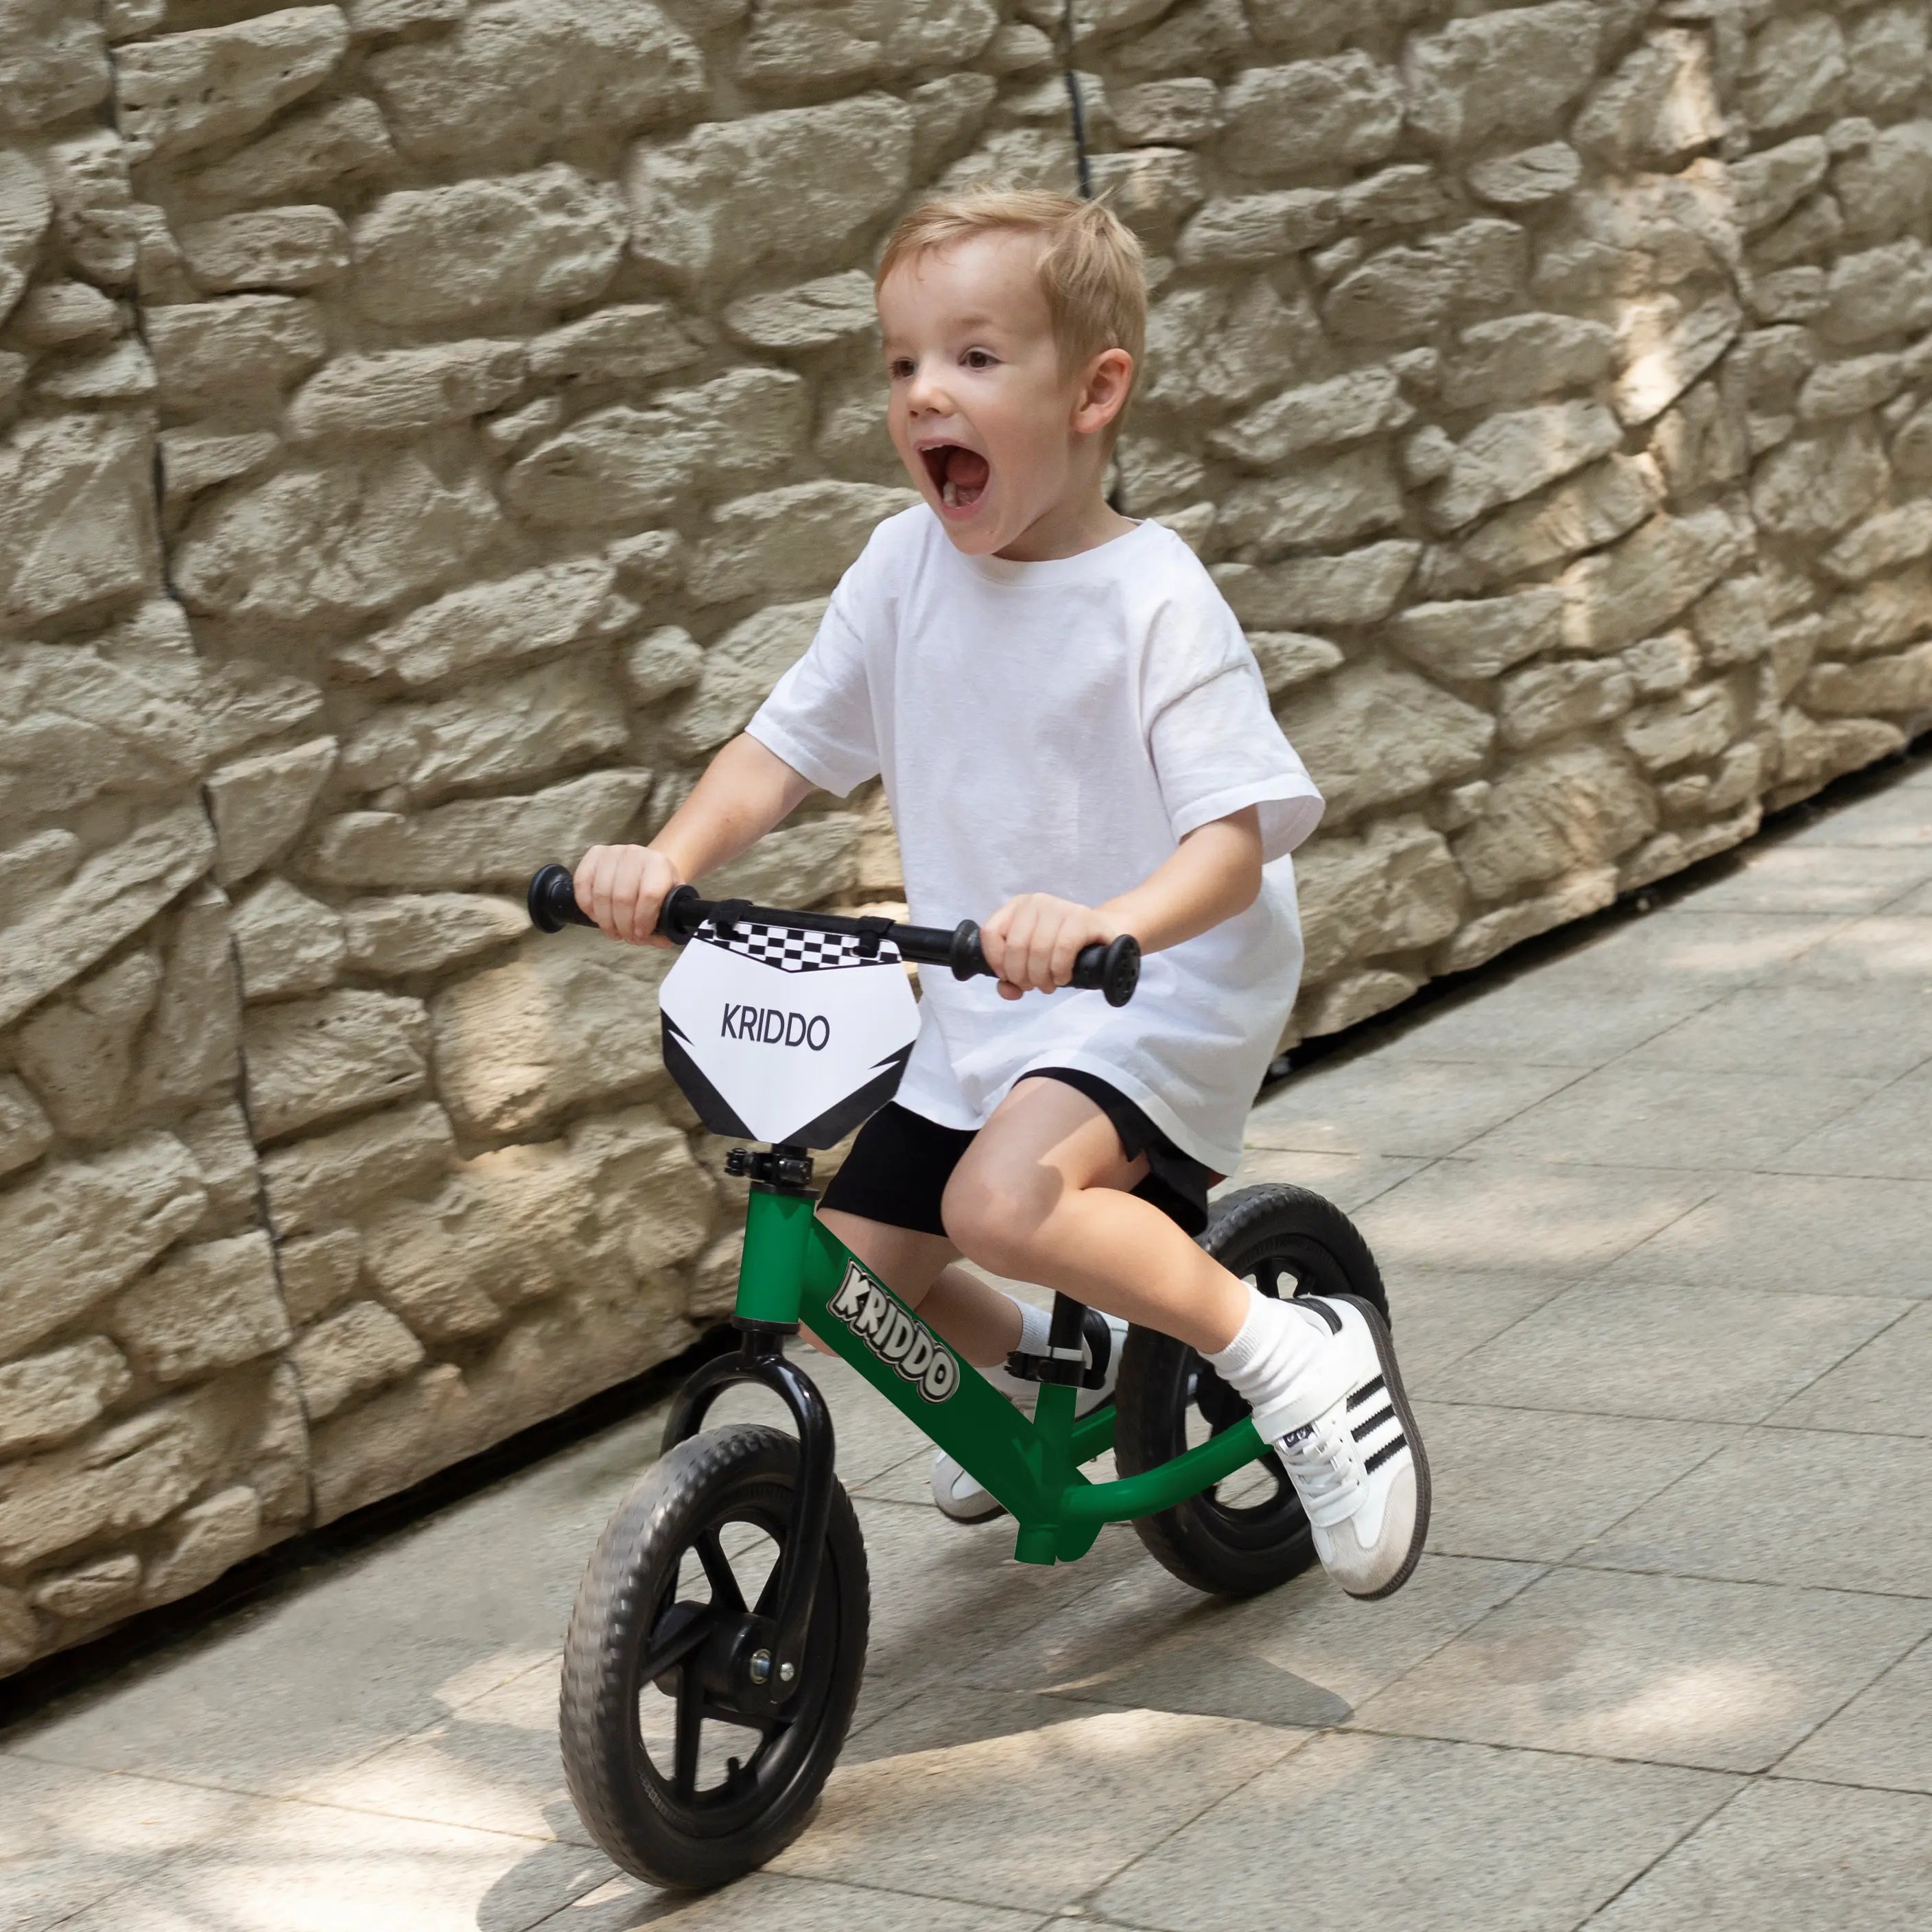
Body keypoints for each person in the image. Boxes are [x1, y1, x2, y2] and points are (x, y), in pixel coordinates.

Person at [574, 189, 1429, 1599]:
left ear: (1095, 392)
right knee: (841, 1287)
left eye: (973, 359)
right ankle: (1048, 1361)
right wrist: (669, 859)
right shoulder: (902, 567)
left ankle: (1292, 1354)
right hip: (985, 988)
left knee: (997, 1206)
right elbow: (783, 747)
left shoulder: (1153, 598)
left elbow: (1232, 845)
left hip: (1161, 979)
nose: (925, 396)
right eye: (901, 363)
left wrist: (1108, 922)